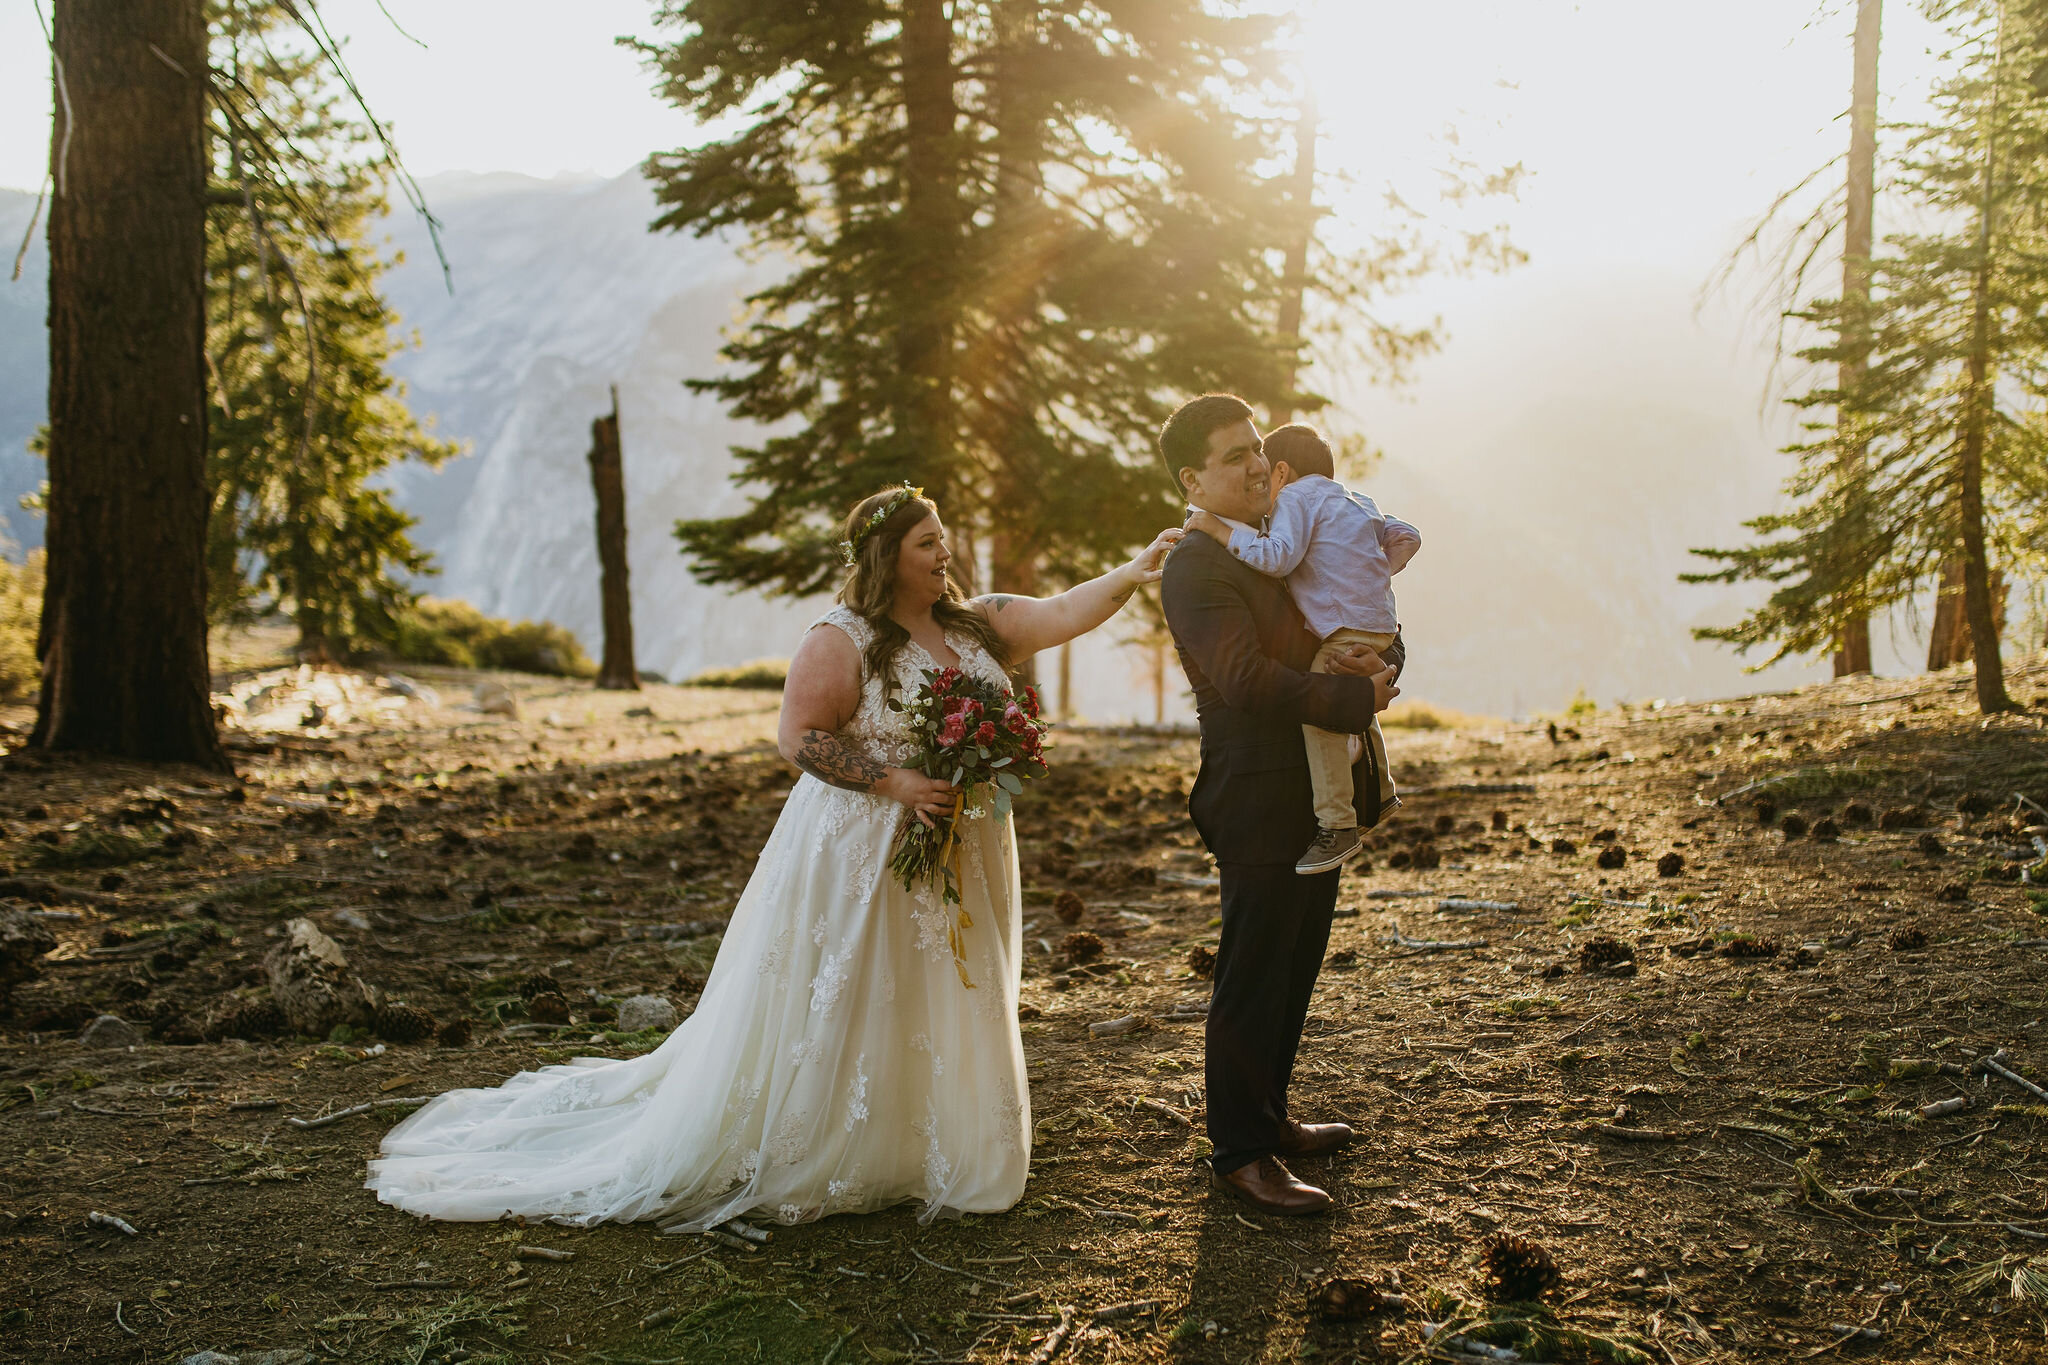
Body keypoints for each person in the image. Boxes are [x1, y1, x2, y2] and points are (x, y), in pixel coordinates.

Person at [365, 485, 1181, 1230]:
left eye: (944, 541)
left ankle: (935, 1140)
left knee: (946, 983)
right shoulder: (842, 637)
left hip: (963, 845)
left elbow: (1066, 610)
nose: (945, 556)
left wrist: (1136, 570)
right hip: (866, 846)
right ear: (885, 555)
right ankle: (841, 1141)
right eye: (927, 543)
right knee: (866, 981)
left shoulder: (976, 623)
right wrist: (897, 779)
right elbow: (800, 737)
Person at [1158, 394, 1400, 1216]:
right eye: (1235, 456)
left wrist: (1376, 659)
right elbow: (1247, 681)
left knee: (1295, 967)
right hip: (1256, 792)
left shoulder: (1281, 543)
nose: (1259, 463)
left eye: (1259, 448)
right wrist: (1351, 695)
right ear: (1195, 479)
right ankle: (1239, 1152)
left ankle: (1272, 1118)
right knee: (1253, 974)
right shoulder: (1195, 566)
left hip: (1312, 786)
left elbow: (1340, 602)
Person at [1184, 422, 1420, 875]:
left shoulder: (1294, 498)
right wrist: (1373, 574)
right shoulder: (1358, 500)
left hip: (1343, 628)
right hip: (1377, 625)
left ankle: (1338, 824)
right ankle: (1383, 788)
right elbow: (1408, 535)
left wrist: (1218, 530)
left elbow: (1278, 557)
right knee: (1354, 696)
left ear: (1282, 471)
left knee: (1324, 711)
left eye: (1263, 465)